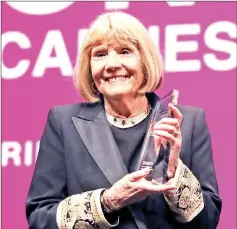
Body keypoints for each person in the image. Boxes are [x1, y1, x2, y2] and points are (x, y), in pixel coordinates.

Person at [26, 11, 222, 229]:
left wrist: (175, 174)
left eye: (125, 51)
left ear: (145, 61)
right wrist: (108, 202)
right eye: (99, 54)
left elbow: (208, 222)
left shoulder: (188, 122)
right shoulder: (63, 123)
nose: (112, 64)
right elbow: (40, 218)